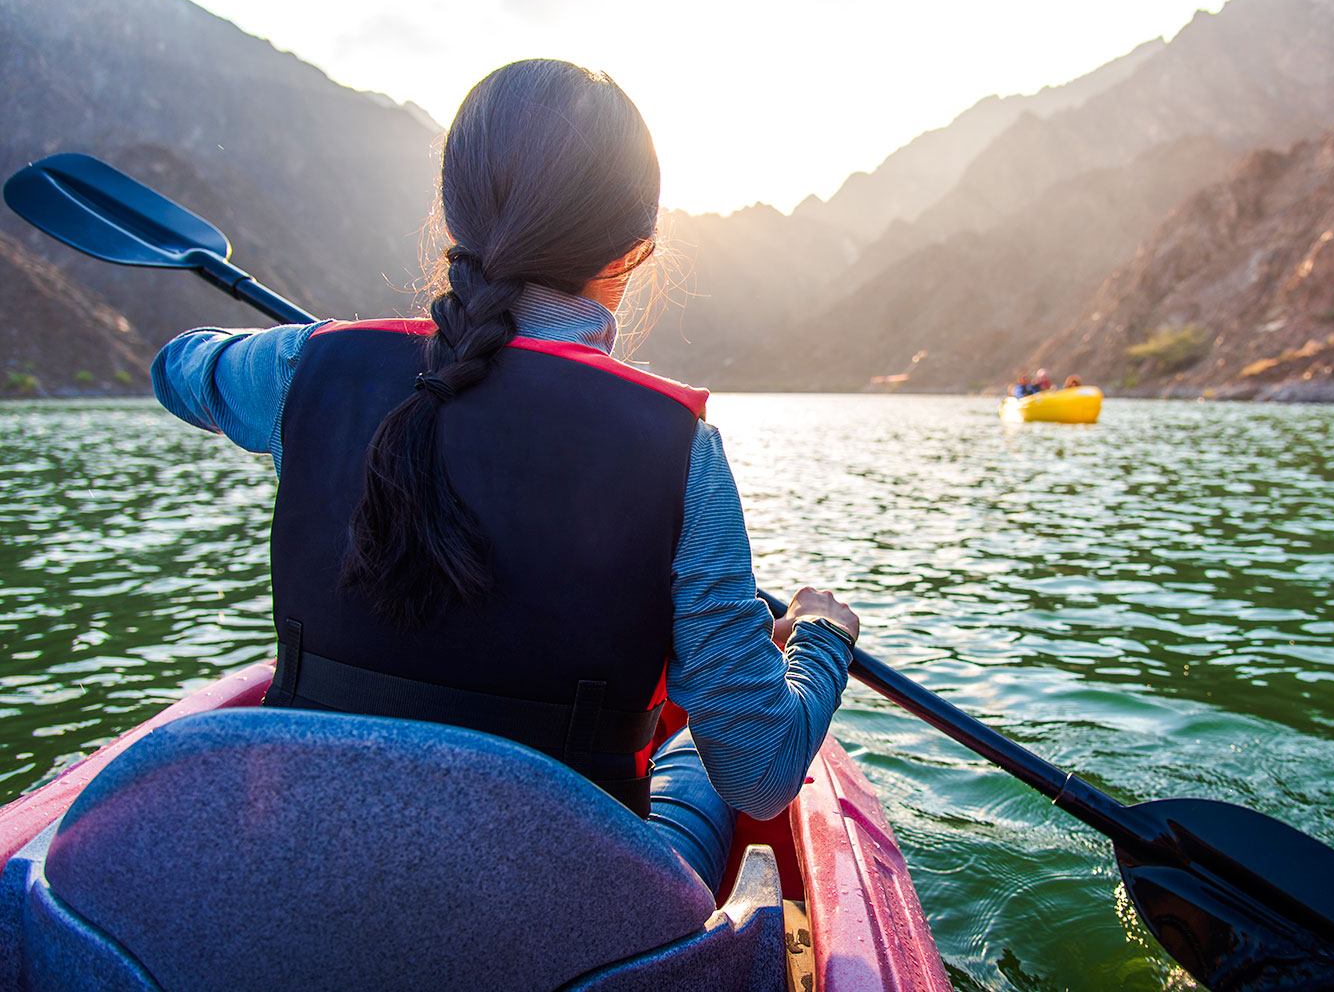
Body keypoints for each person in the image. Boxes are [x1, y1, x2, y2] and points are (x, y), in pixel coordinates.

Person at [148, 59, 858, 892]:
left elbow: (177, 368)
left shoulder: (309, 368)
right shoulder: (681, 451)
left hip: (312, 869)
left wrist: (314, 352)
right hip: (560, 917)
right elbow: (763, 772)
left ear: (455, 214)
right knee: (700, 753)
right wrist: (820, 640)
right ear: (636, 249)